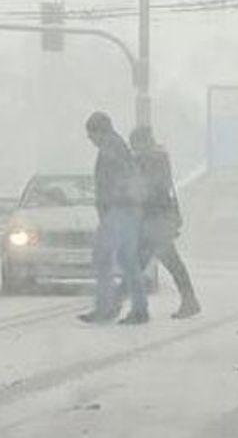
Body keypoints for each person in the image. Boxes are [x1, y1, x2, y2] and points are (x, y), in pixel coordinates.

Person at [79, 112, 149, 325]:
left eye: (91, 134)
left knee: (102, 258)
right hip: (127, 210)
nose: (90, 140)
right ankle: (139, 308)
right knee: (127, 261)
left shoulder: (110, 149)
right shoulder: (118, 146)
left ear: (99, 131)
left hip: (118, 210)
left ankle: (106, 307)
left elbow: (113, 182)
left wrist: (108, 205)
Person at [130, 126, 201, 319]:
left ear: (144, 142)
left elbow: (150, 191)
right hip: (159, 220)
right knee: (167, 262)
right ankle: (189, 300)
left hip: (155, 221)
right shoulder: (158, 158)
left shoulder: (152, 160)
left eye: (136, 145)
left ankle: (123, 307)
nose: (134, 149)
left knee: (139, 264)